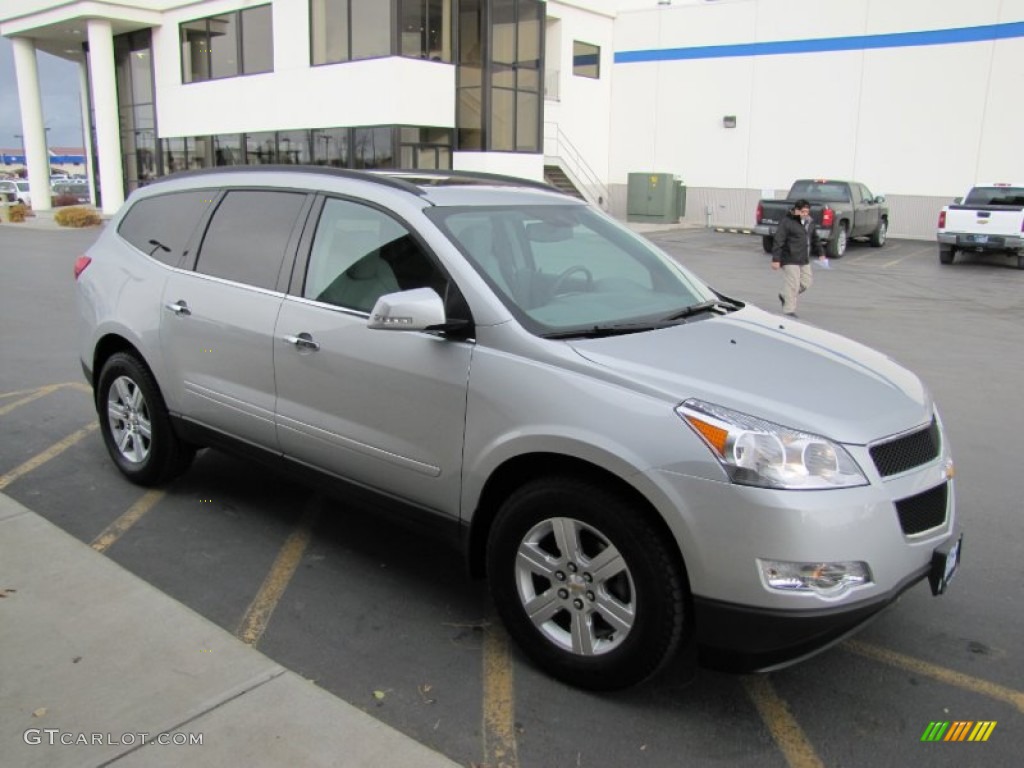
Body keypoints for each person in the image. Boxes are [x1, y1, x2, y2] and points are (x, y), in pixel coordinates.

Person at [771, 199, 826, 317]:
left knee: (806, 282)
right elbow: (778, 240)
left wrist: (821, 253)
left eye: (807, 211)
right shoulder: (787, 222)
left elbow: (815, 238)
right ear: (796, 210)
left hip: (804, 258)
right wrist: (776, 259)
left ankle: (785, 295)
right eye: (802, 211)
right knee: (793, 284)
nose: (805, 214)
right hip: (790, 258)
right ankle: (789, 311)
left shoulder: (809, 222)